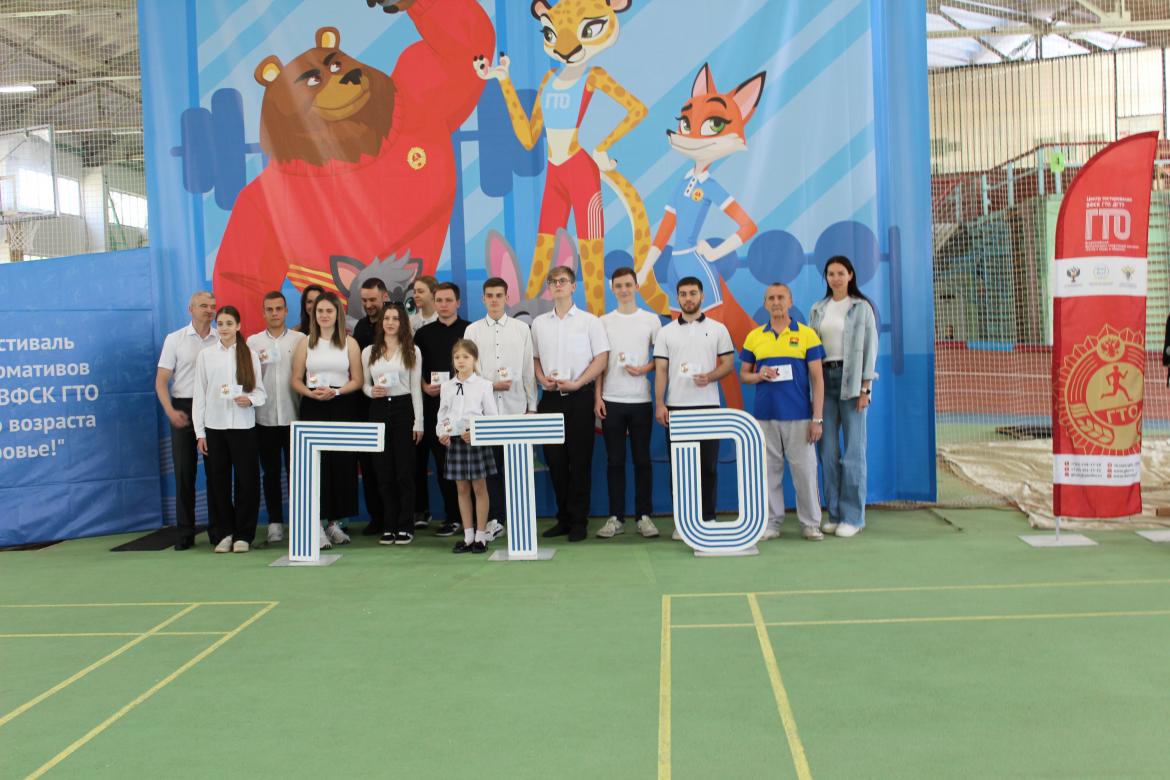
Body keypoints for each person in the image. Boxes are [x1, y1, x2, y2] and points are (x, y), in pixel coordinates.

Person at [741, 283, 825, 542]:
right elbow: (744, 375)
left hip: (800, 417)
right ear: (765, 304)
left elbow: (818, 379)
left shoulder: (808, 335)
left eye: (780, 297)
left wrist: (817, 419)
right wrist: (759, 375)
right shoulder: (754, 337)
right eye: (771, 298)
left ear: (790, 301)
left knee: (805, 473)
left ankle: (811, 523)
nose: (776, 302)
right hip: (765, 417)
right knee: (769, 473)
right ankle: (770, 523)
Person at [531, 266, 609, 542]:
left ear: (574, 286)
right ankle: (563, 518)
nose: (558, 285)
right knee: (555, 461)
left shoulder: (590, 322)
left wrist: (578, 383)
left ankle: (579, 521)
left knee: (580, 461)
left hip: (580, 397)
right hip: (551, 399)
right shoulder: (539, 323)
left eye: (563, 281)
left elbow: (601, 358)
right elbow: (535, 358)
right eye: (553, 281)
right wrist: (541, 378)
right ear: (549, 288)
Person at [653, 277, 734, 534]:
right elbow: (661, 370)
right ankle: (683, 522)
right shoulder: (666, 332)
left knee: (708, 466)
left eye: (692, 293)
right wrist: (660, 404)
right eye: (683, 294)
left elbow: (728, 364)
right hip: (676, 408)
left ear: (702, 296)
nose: (688, 298)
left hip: (708, 407)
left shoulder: (718, 329)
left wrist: (710, 376)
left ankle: (708, 518)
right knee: (680, 469)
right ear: (677, 298)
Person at [809, 255, 878, 538]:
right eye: (831, 274)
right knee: (827, 453)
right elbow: (811, 350)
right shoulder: (818, 309)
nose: (835, 278)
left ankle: (853, 517)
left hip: (852, 383)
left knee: (853, 452)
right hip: (824, 382)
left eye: (840, 273)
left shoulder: (861, 307)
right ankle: (834, 514)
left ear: (850, 275)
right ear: (825, 277)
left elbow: (870, 348)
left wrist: (865, 389)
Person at [464, 277, 537, 541]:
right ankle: (495, 520)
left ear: (507, 297)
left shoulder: (521, 329)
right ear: (483, 299)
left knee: (517, 468)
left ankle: (520, 519)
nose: (494, 300)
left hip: (516, 409)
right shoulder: (472, 331)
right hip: (484, 412)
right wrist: (490, 385)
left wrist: (532, 407)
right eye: (489, 295)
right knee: (490, 469)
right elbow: (467, 370)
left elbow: (528, 369)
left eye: (499, 295)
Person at [290, 292, 363, 548]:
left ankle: (334, 524)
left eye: (329, 311)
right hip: (313, 407)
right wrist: (310, 394)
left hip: (342, 405)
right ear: (313, 314)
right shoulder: (305, 343)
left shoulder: (350, 343)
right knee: (317, 467)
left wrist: (337, 392)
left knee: (342, 465)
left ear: (337, 314)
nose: (324, 315)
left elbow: (358, 379)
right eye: (319, 311)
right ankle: (317, 525)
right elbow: (295, 379)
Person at [194, 306, 267, 553]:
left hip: (243, 427)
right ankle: (224, 533)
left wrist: (250, 399)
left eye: (229, 323)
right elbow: (199, 395)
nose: (224, 328)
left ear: (238, 326)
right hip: (214, 428)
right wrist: (200, 433)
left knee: (247, 482)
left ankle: (244, 535)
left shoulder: (249, 355)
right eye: (220, 323)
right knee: (218, 483)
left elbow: (260, 393)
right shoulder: (206, 356)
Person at [595, 267, 661, 539]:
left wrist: (645, 368)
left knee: (642, 460)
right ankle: (616, 517)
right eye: (619, 285)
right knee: (615, 461)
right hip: (611, 400)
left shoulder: (651, 320)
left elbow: (661, 359)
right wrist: (597, 397)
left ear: (636, 286)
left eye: (628, 285)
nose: (624, 290)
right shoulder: (603, 322)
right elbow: (600, 363)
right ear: (612, 289)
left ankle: (644, 516)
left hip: (641, 400)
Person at [155, 291, 220, 550]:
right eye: (203, 305)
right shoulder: (175, 339)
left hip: (213, 408)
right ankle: (185, 533)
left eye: (213, 306)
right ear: (190, 309)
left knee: (216, 471)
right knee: (184, 472)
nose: (209, 310)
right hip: (183, 406)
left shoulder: (222, 338)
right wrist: (170, 411)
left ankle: (218, 530)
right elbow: (161, 381)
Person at [246, 291, 306, 544]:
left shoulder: (300, 339)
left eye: (278, 308)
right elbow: (247, 378)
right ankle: (274, 523)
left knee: (297, 474)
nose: (274, 313)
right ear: (263, 312)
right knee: (270, 473)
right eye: (269, 309)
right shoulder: (252, 342)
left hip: (295, 417)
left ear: (286, 311)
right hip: (265, 418)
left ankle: (299, 522)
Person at [362, 302, 424, 546]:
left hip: (404, 408)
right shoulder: (369, 351)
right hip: (378, 409)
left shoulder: (412, 350)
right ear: (381, 322)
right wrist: (371, 391)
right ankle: (389, 525)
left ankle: (406, 525)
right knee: (383, 471)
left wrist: (418, 422)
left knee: (404, 471)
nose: (390, 322)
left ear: (402, 323)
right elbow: (364, 384)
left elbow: (416, 389)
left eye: (395, 318)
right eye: (386, 318)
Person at [413, 282, 469, 536]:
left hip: (465, 408)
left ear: (458, 302)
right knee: (443, 464)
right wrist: (425, 386)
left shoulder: (469, 331)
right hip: (435, 408)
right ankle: (452, 517)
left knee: (467, 467)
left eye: (448, 300)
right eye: (439, 300)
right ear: (434, 303)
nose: (444, 305)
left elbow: (478, 368)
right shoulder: (422, 335)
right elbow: (414, 370)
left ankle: (472, 518)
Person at [437, 339, 499, 553]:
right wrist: (442, 433)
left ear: (475, 359)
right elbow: (442, 416)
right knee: (462, 489)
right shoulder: (446, 386)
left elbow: (492, 417)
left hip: (476, 442)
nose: (461, 361)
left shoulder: (484, 385)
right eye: (457, 357)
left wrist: (475, 433)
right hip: (454, 443)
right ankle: (468, 536)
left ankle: (481, 537)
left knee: (480, 488)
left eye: (466, 357)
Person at [352, 277, 389, 535]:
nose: (368, 305)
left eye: (372, 299)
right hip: (364, 405)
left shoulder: (395, 322)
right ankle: (377, 517)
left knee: (391, 464)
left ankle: (396, 517)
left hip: (394, 404)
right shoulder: (360, 327)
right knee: (369, 464)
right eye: (364, 300)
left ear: (384, 296)